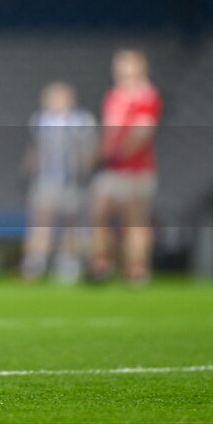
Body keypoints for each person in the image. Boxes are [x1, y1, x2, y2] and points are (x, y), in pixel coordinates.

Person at [89, 49, 161, 284]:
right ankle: (102, 263)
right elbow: (108, 131)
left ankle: (137, 269)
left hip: (136, 170)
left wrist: (118, 154)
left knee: (135, 219)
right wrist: (98, 156)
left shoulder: (146, 95)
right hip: (112, 170)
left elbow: (142, 131)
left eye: (127, 64)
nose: (121, 68)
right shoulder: (114, 95)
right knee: (99, 213)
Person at [19, 82, 97, 283]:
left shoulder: (81, 120)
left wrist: (85, 172)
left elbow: (89, 150)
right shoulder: (41, 120)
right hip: (46, 179)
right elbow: (36, 149)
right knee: (40, 221)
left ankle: (68, 263)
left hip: (72, 182)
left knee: (71, 223)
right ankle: (35, 263)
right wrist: (27, 171)